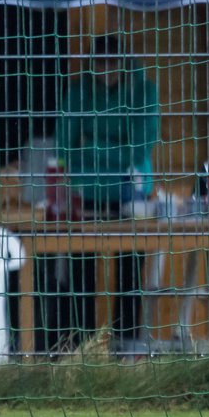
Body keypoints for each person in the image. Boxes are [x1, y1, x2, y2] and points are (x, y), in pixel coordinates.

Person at [55, 33, 160, 354]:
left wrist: (94, 145)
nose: (105, 70)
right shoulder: (77, 92)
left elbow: (141, 145)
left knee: (129, 273)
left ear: (123, 62)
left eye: (111, 63)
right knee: (80, 272)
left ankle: (126, 348)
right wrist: (112, 149)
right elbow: (65, 147)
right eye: (99, 63)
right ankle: (81, 348)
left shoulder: (143, 91)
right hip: (86, 192)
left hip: (132, 194)